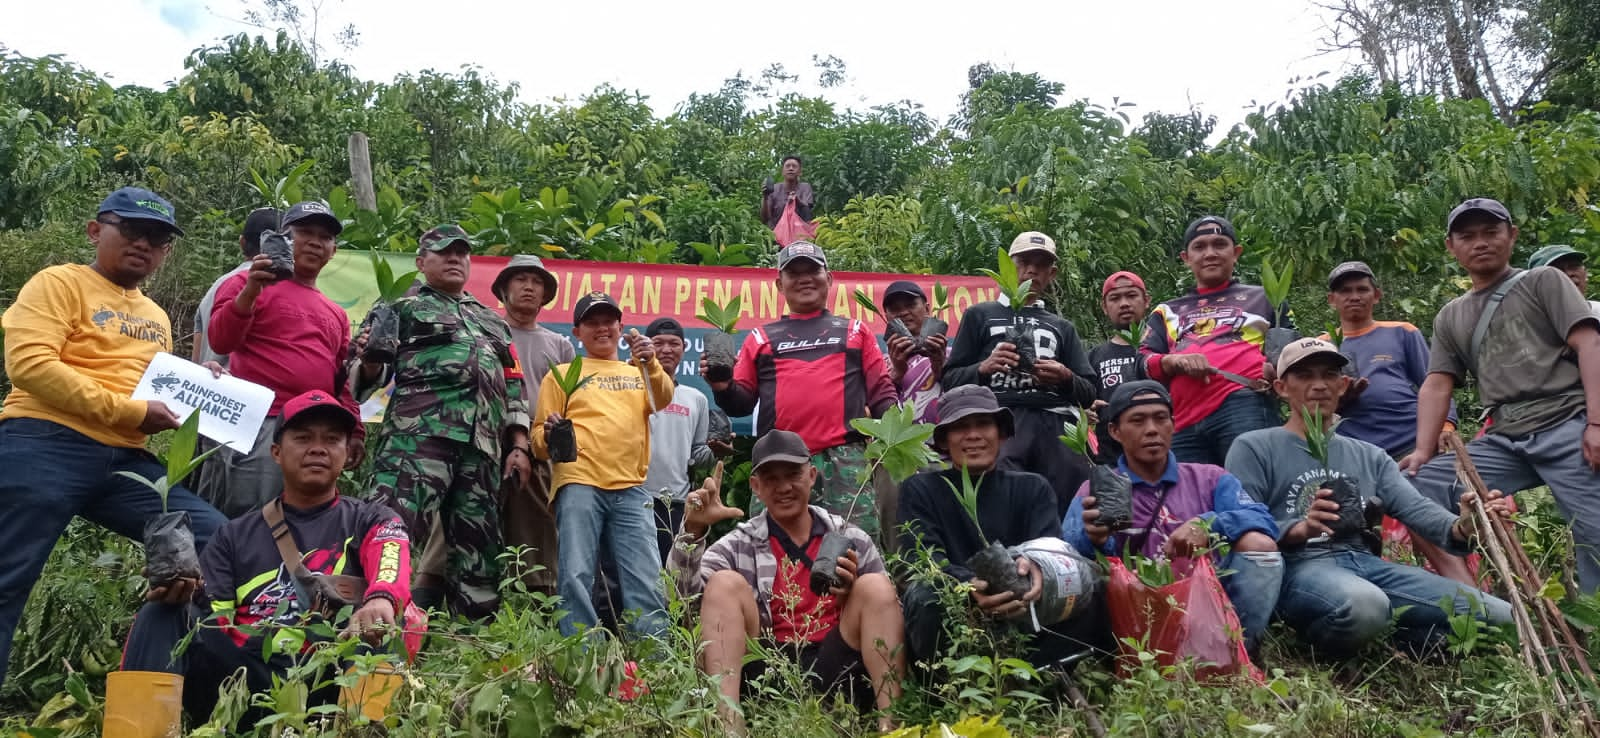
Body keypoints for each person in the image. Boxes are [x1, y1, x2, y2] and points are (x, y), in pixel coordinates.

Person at [0, 187, 227, 688]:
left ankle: (182, 682)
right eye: (132, 230)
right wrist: (128, 410)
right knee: (7, 578)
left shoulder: (156, 316)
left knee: (216, 540)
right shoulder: (58, 283)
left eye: (158, 238)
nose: (144, 244)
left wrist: (197, 381)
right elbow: (32, 365)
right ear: (95, 230)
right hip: (43, 441)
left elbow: (147, 385)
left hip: (126, 460)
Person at [117, 390, 414, 728]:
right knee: (162, 614)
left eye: (332, 440)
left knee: (381, 620)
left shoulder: (372, 518)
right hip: (249, 682)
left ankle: (360, 732)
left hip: (333, 681)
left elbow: (391, 557)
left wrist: (381, 598)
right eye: (302, 438)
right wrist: (186, 593)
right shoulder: (234, 535)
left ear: (347, 454)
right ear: (276, 452)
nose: (318, 448)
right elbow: (215, 619)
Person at [1227, 338, 1512, 656]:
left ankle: (1403, 638)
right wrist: (1302, 528)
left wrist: (1464, 525)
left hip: (1364, 563)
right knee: (1366, 606)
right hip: (1298, 567)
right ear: (1281, 387)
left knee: (1502, 618)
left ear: (1343, 385)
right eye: (1305, 376)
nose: (1319, 385)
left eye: (1329, 375)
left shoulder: (1369, 455)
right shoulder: (1254, 446)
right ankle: (1310, 644)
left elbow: (1416, 509)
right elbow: (1242, 523)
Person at [1401, 199, 1600, 593]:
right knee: (1415, 483)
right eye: (1467, 236)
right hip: (1505, 436)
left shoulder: (1543, 281)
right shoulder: (1451, 315)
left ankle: (1594, 633)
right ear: (1451, 246)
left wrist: (1596, 423)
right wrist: (1423, 451)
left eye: (1491, 232)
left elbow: (1590, 343)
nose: (1480, 243)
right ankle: (1471, 589)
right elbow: (1438, 382)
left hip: (1565, 424)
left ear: (1512, 236)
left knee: (1595, 534)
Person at [668, 430, 905, 733]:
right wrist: (692, 531)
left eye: (793, 474)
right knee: (724, 583)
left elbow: (887, 612)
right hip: (767, 667)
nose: (783, 487)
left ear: (812, 475)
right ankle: (728, 726)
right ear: (755, 486)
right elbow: (681, 603)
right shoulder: (737, 545)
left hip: (838, 662)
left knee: (875, 586)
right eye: (770, 479)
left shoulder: (850, 538)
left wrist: (851, 594)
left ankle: (893, 724)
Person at [358, 225, 532, 619]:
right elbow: (365, 374)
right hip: (418, 439)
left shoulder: (492, 321)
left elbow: (514, 384)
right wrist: (368, 360)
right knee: (391, 532)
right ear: (421, 263)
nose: (455, 259)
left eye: (462, 253)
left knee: (479, 550)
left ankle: (472, 644)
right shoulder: (400, 305)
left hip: (482, 448)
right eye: (443, 253)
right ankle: (371, 626)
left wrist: (518, 444)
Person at [1063, 380, 1281, 656]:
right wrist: (1094, 539)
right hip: (1137, 618)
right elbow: (1067, 556)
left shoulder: (1210, 478)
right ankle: (1117, 658)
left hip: (1210, 609)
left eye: (1160, 418)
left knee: (1259, 545)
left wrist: (1209, 525)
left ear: (1173, 425)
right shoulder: (1095, 490)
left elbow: (1263, 521)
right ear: (1115, 432)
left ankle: (1238, 651)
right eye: (1138, 420)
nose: (1151, 429)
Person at [703, 241, 900, 543]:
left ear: (829, 279)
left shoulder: (855, 331)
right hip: (780, 462)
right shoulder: (761, 337)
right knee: (771, 550)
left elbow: (881, 393)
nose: (804, 278)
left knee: (853, 550)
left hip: (845, 460)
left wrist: (898, 437)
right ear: (779, 284)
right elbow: (741, 402)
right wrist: (722, 386)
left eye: (813, 270)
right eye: (794, 273)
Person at [898, 385, 1105, 668]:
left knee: (1093, 586)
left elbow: (1051, 552)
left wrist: (1036, 569)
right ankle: (947, 686)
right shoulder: (921, 489)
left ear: (1002, 433)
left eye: (984, 423)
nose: (973, 435)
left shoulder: (1033, 488)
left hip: (1027, 608)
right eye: (960, 427)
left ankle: (1043, 677)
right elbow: (920, 561)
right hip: (960, 617)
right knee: (925, 594)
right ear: (944, 441)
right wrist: (969, 588)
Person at [414, 254, 575, 596]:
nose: (529, 287)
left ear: (546, 294)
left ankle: (537, 613)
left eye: (536, 282)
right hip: (479, 433)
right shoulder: (482, 330)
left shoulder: (559, 345)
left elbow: (570, 402)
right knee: (454, 524)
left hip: (536, 440)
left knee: (535, 528)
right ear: (503, 289)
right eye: (520, 280)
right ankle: (426, 602)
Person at [199, 201, 364, 518]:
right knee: (244, 519)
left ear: (334, 250)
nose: (315, 241)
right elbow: (221, 340)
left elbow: (337, 381)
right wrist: (250, 292)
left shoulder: (336, 313)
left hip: (310, 427)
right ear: (284, 238)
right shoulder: (248, 282)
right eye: (305, 232)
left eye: (325, 237)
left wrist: (354, 429)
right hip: (259, 422)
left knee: (295, 519)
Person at [531, 292, 676, 638]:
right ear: (576, 332)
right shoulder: (563, 374)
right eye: (592, 322)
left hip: (631, 486)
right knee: (576, 575)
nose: (601, 328)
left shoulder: (637, 372)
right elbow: (537, 441)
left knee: (646, 576)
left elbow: (662, 399)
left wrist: (650, 363)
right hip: (579, 483)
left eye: (608, 321)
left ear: (621, 327)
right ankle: (580, 658)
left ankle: (656, 664)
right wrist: (550, 436)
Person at [943, 231, 1098, 515]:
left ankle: (1066, 557)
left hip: (1056, 422)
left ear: (1052, 274)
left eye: (1041, 264)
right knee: (1002, 500)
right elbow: (950, 379)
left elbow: (1089, 390)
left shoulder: (1061, 326)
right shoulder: (980, 315)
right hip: (1001, 417)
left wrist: (1064, 376)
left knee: (1071, 497)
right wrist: (983, 367)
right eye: (1024, 261)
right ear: (1008, 266)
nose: (1031, 270)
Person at [593, 317, 715, 628]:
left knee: (671, 580)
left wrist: (717, 449)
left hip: (675, 504)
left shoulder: (697, 399)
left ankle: (669, 644)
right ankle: (614, 640)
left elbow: (696, 454)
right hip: (631, 498)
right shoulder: (626, 388)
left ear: (684, 349)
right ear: (644, 346)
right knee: (620, 577)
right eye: (658, 342)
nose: (666, 349)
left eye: (674, 343)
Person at [1140, 215, 1287, 466]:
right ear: (1186, 258)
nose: (1210, 253)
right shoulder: (1167, 310)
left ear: (1236, 252)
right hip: (1182, 418)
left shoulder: (1266, 298)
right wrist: (1174, 361)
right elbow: (1141, 362)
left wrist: (1278, 369)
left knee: (1250, 492)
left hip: (1244, 403)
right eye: (1200, 246)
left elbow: (1291, 350)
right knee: (1191, 500)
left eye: (1219, 244)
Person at [1318, 261, 1456, 459]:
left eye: (1362, 289)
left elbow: (1435, 382)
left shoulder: (1402, 331)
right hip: (1354, 447)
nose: (1355, 297)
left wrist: (1446, 424)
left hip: (1410, 440)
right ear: (1332, 299)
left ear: (1376, 296)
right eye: (1345, 291)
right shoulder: (1322, 344)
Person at [192, 206, 280, 366]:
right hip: (237, 386)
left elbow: (196, 358)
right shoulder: (270, 286)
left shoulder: (216, 286)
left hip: (206, 385)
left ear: (242, 242)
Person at [1089, 271, 1150, 460]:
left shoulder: (1167, 346)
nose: (1124, 303)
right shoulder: (1093, 357)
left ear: (1146, 301)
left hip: (1168, 452)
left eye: (1132, 296)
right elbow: (1083, 401)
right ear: (1105, 307)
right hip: (1112, 461)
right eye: (1115, 298)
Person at [882, 280, 949, 424]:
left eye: (911, 305)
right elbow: (873, 409)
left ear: (927, 309)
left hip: (945, 438)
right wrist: (897, 373)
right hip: (898, 442)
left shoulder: (951, 354)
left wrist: (940, 366)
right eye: (894, 309)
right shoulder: (880, 363)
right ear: (886, 316)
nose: (903, 312)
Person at [1528, 244, 1600, 315]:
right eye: (1556, 270)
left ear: (1586, 274)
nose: (1568, 273)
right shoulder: (1528, 321)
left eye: (1574, 266)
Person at [760, 155, 815, 229]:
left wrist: (796, 200)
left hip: (800, 233)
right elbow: (765, 219)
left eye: (794, 166)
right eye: (788, 166)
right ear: (782, 171)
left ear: (800, 172)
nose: (791, 168)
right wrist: (765, 197)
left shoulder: (805, 187)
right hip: (777, 233)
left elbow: (806, 211)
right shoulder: (775, 189)